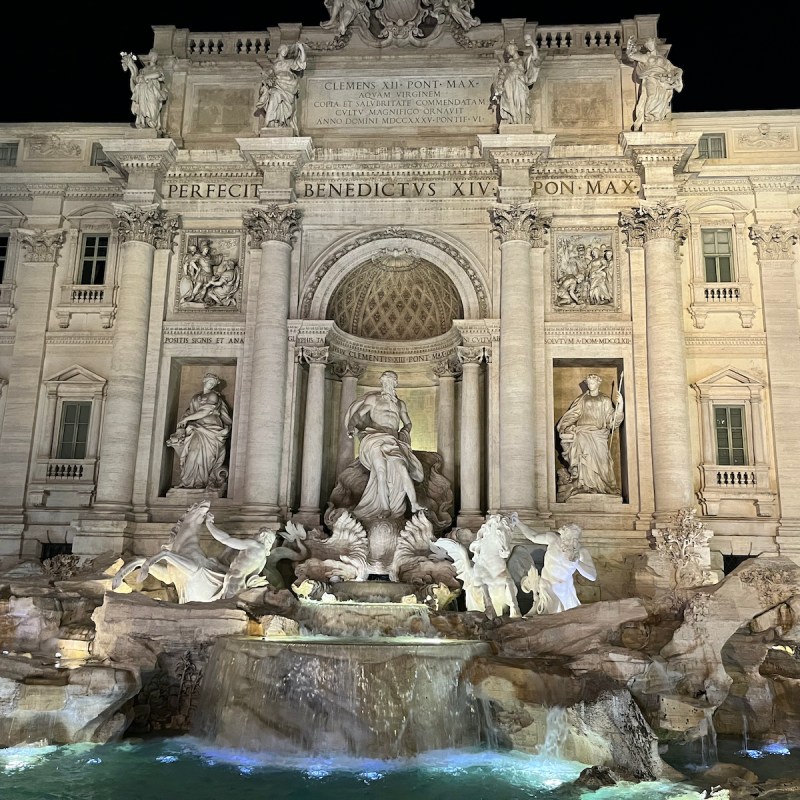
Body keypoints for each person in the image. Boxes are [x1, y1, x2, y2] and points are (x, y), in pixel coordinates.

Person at [344, 370, 426, 520]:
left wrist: (404, 433)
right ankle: (385, 508)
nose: (390, 383)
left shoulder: (400, 404)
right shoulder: (373, 399)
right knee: (380, 472)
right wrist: (351, 427)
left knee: (402, 468)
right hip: (374, 438)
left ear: (396, 383)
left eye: (393, 381)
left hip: (393, 440)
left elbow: (408, 423)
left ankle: (413, 503)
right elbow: (357, 415)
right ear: (382, 382)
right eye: (387, 381)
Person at [507, 514, 597, 614]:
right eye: (566, 538)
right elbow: (533, 536)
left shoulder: (581, 552)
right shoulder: (553, 539)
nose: (567, 542)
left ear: (576, 539)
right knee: (543, 617)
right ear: (562, 534)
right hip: (546, 585)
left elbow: (592, 576)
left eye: (572, 539)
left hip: (563, 591)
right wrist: (518, 523)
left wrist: (576, 562)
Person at [556, 373, 623, 496]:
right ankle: (584, 485)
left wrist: (620, 406)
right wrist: (564, 426)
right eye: (589, 383)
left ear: (598, 384)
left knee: (603, 460)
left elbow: (611, 421)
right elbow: (574, 414)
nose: (590, 385)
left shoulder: (605, 399)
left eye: (593, 383)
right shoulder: (582, 399)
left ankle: (602, 486)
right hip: (582, 433)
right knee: (584, 459)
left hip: (599, 434)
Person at [167, 374, 233, 493]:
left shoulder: (213, 395)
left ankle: (201, 483)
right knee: (192, 453)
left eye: (213, 383)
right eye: (210, 382)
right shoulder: (196, 397)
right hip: (196, 429)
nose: (211, 384)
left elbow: (205, 411)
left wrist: (186, 420)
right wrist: (183, 423)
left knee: (207, 458)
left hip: (211, 430)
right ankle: (189, 482)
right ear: (204, 381)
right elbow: (189, 412)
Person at [205, 512, 274, 599]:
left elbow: (225, 539)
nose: (254, 535)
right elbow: (239, 572)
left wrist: (209, 524)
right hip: (237, 583)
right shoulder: (263, 558)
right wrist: (219, 565)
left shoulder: (254, 545)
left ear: (262, 535)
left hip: (233, 584)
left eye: (257, 533)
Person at [626, 37, 683, 131]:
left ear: (654, 43)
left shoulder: (663, 59)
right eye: (647, 45)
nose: (649, 45)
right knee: (652, 95)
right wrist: (630, 46)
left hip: (663, 80)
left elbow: (674, 69)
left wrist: (679, 72)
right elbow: (631, 55)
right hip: (651, 78)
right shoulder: (646, 57)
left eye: (650, 43)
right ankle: (649, 117)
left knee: (661, 98)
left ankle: (657, 118)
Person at [254, 43, 307, 134]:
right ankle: (270, 122)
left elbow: (301, 62)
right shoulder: (273, 64)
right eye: (284, 49)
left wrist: (301, 49)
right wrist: (267, 81)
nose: (285, 52)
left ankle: (283, 122)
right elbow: (267, 77)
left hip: (288, 85)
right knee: (274, 96)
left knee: (278, 98)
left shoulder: (289, 62)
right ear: (279, 51)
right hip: (277, 85)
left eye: (286, 50)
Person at [490, 37, 541, 125]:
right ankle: (514, 119)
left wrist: (533, 45)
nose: (509, 51)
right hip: (510, 81)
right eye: (508, 50)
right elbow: (502, 76)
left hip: (520, 82)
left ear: (515, 48)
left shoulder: (523, 59)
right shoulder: (508, 65)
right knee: (511, 101)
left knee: (523, 102)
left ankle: (523, 123)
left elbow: (535, 58)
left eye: (510, 48)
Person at [121, 50, 168, 133]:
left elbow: (158, 74)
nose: (154, 58)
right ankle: (144, 122)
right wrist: (132, 67)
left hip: (153, 90)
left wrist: (146, 77)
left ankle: (152, 123)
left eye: (156, 57)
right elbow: (136, 78)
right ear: (150, 57)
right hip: (143, 89)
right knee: (143, 106)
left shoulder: (158, 68)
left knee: (153, 106)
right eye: (153, 56)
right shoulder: (144, 69)